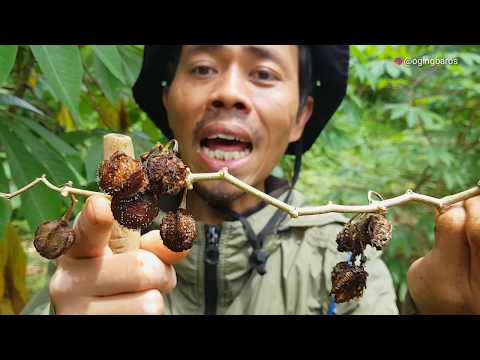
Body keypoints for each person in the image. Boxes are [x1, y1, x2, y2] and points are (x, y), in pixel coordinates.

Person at [22, 45, 480, 315]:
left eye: (263, 73)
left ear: (302, 117)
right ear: (166, 99)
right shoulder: (101, 248)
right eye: (203, 67)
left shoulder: (344, 261)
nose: (229, 93)